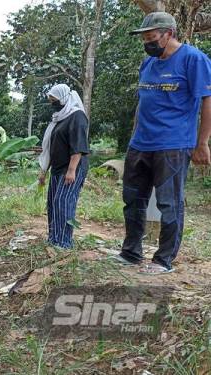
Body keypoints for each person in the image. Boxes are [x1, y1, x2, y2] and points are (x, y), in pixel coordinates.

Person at [113, 12, 211, 275]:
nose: (148, 44)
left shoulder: (193, 59)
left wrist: (202, 142)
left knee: (170, 204)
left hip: (174, 145)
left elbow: (207, 100)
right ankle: (131, 252)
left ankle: (163, 259)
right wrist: (134, 138)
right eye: (145, 39)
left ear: (169, 34)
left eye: (152, 38)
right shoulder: (148, 63)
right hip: (141, 144)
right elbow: (142, 103)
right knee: (133, 200)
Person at [38, 84, 90, 249]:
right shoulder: (58, 118)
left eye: (54, 100)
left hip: (72, 168)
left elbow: (79, 146)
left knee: (64, 202)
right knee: (53, 203)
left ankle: (64, 242)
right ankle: (54, 238)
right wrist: (43, 172)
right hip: (58, 168)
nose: (53, 103)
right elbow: (50, 148)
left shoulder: (77, 116)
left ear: (64, 98)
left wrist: (71, 170)